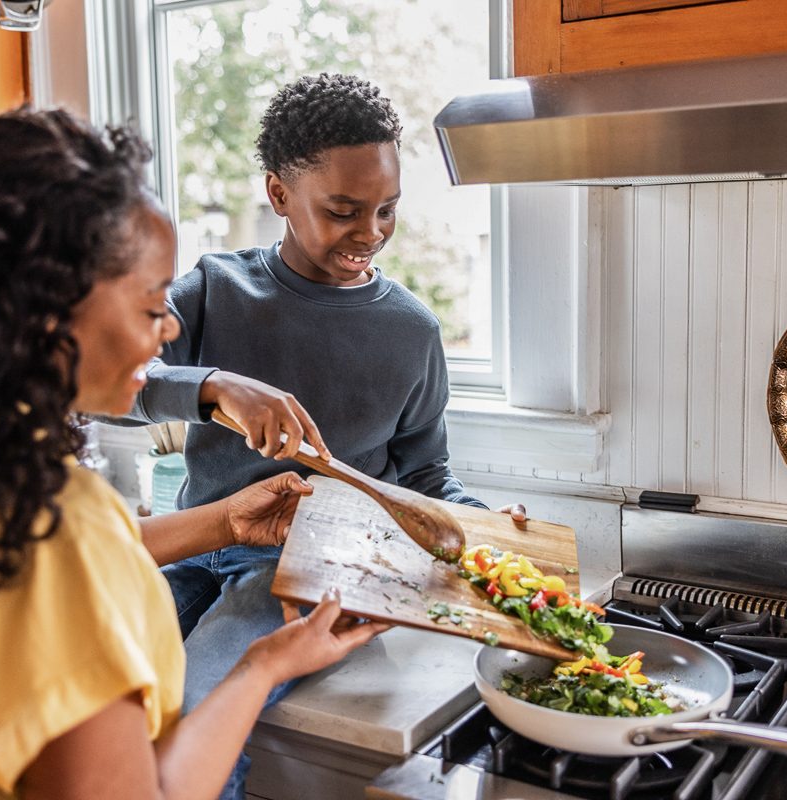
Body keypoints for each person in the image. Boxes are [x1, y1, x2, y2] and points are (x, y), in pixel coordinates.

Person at [0, 107, 386, 800]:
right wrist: (258, 668)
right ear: (44, 310)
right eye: (150, 302)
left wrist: (224, 521)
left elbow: (12, 577)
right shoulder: (53, 528)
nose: (169, 324)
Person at [120, 73, 521, 799]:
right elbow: (111, 380)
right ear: (278, 195)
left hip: (303, 569)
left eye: (387, 209)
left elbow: (426, 478)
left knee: (201, 715)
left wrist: (487, 527)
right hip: (190, 542)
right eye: (343, 210)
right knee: (93, 694)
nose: (370, 232)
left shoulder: (411, 332)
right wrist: (211, 389)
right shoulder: (214, 289)